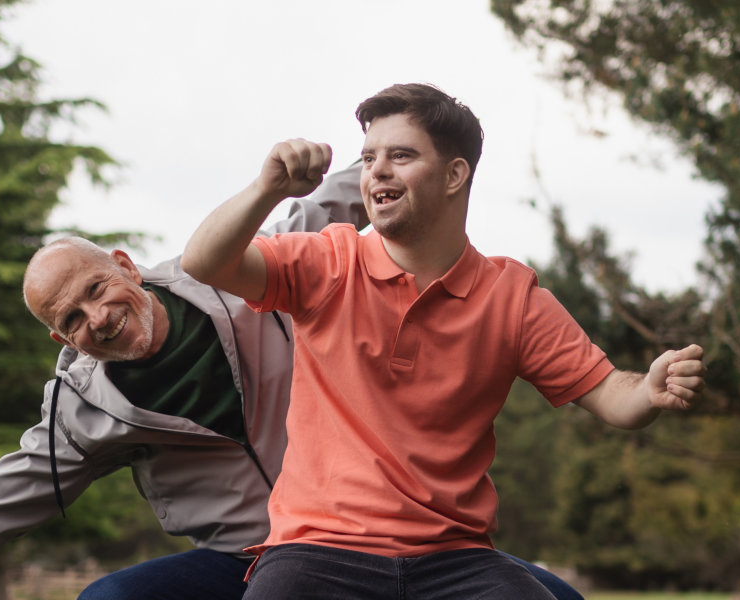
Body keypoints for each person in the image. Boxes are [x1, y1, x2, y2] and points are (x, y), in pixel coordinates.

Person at [0, 166, 584, 600]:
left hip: (367, 531)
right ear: (61, 339)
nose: (98, 317)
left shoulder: (237, 278)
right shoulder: (84, 413)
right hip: (244, 558)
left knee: (559, 599)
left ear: (123, 264)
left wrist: (396, 144)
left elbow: (330, 197)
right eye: (73, 319)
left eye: (95, 289)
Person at [180, 83, 707, 599]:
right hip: (318, 551)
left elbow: (614, 395)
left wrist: (649, 389)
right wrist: (267, 188)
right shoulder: (327, 261)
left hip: (457, 559)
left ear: (455, 174)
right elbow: (204, 262)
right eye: (368, 159)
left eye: (401, 155)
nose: (376, 171)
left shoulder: (513, 297)